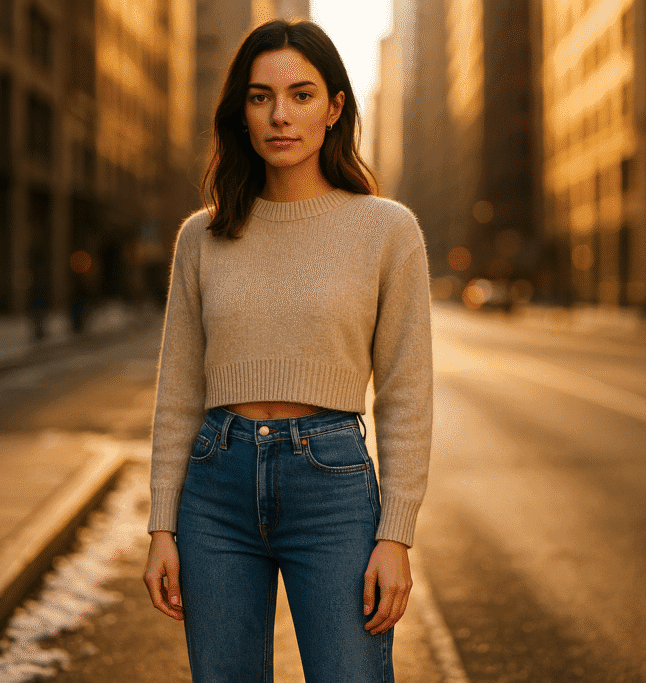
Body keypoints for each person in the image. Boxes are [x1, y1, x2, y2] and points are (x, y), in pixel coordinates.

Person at [142, 18, 433, 682]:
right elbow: (179, 391)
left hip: (332, 485)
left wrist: (396, 533)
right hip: (214, 488)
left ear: (334, 108)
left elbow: (406, 393)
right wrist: (163, 525)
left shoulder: (387, 230)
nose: (280, 115)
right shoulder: (202, 237)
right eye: (259, 96)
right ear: (239, 112)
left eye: (301, 95)